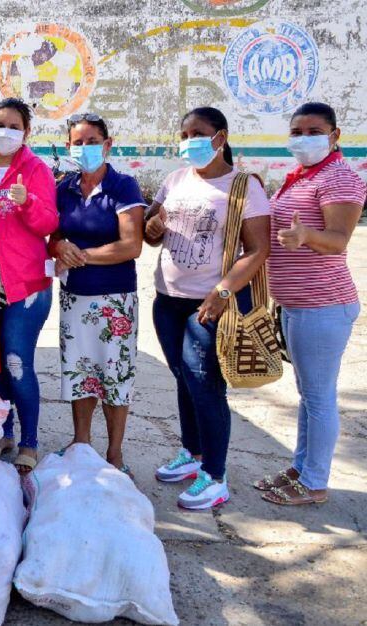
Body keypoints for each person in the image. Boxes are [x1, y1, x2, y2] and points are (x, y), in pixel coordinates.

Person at [145, 106, 270, 510]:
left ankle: (215, 476)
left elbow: (258, 249)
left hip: (210, 304)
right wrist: (153, 228)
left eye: (197, 133)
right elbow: (153, 230)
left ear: (220, 137)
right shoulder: (174, 179)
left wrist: (223, 291)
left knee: (206, 387)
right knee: (183, 378)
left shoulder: (243, 186)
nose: (188, 142)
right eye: (183, 135)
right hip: (168, 301)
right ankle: (192, 453)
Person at [254, 102, 366, 506]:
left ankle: (314, 482)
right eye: (297, 131)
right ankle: (300, 468)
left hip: (322, 306)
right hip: (296, 306)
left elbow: (338, 240)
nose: (303, 138)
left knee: (319, 398)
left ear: (335, 135)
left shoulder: (339, 179)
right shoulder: (302, 176)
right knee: (307, 395)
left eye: (313, 130)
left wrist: (306, 237)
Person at [49, 113, 145, 477]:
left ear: (107, 144)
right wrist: (59, 247)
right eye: (78, 142)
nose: (84, 148)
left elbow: (131, 245)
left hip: (114, 300)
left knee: (114, 375)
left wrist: (83, 255)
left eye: (92, 141)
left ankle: (115, 454)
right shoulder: (65, 188)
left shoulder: (123, 186)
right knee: (80, 372)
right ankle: (81, 444)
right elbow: (52, 234)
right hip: (75, 298)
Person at [0, 98, 58, 474]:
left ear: (26, 132)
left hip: (24, 284)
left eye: (13, 126)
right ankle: (3, 432)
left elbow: (48, 223)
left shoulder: (35, 168)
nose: (5, 132)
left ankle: (29, 442)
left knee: (16, 361)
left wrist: (27, 203)